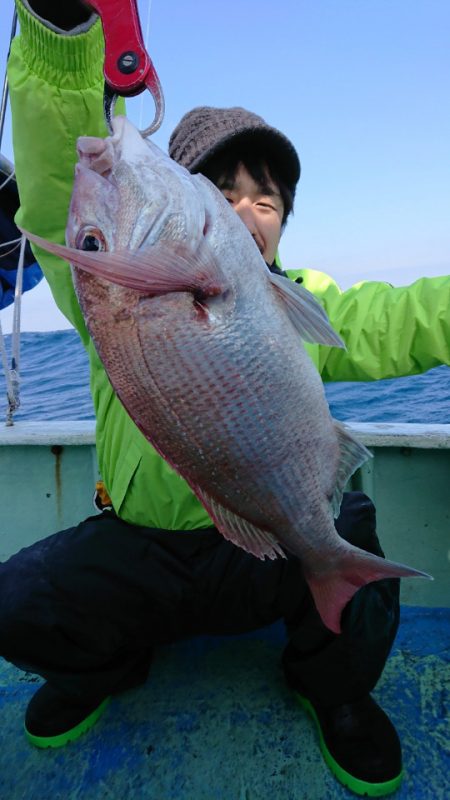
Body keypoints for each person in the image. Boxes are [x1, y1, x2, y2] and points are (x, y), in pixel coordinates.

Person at [2, 1, 450, 796]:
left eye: (267, 201)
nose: (246, 210)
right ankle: (106, 666)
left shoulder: (302, 307)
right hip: (141, 550)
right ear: (186, 194)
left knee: (351, 532)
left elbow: (406, 317)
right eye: (223, 189)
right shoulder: (107, 288)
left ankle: (334, 691)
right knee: (18, 601)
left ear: (281, 229)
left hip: (259, 550)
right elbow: (53, 187)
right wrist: (59, 39)